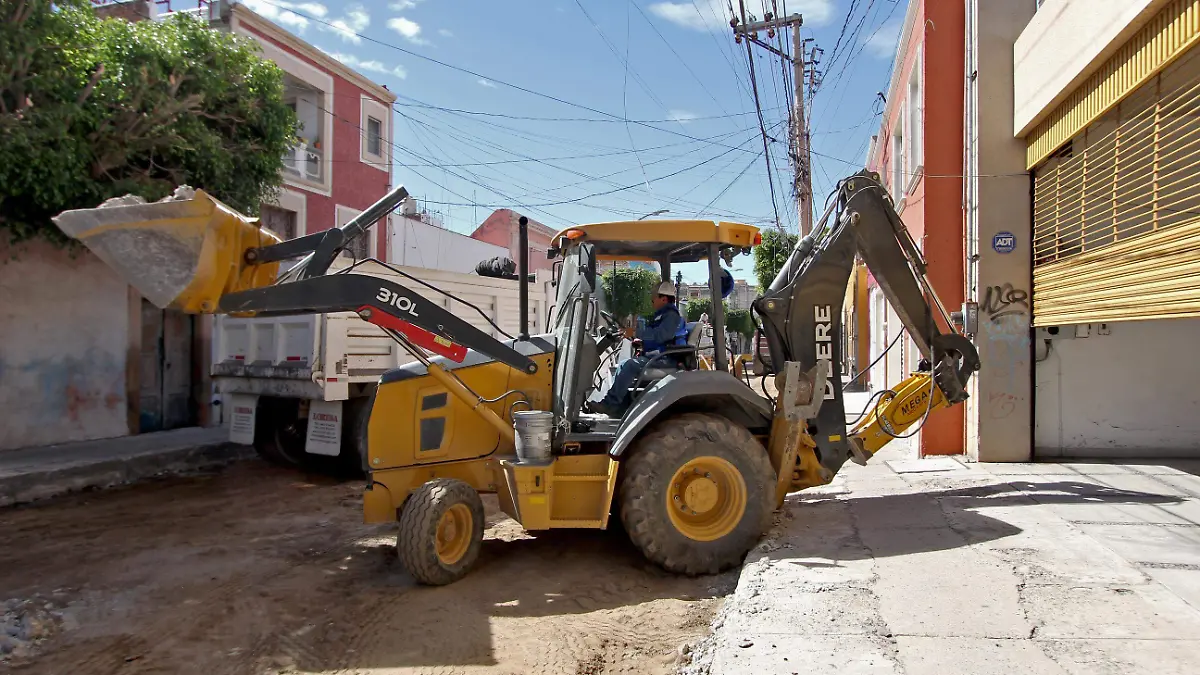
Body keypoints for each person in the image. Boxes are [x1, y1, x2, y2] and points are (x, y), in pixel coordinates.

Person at [588, 281, 687, 417]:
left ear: (663, 298)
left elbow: (661, 336)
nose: (652, 301)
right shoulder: (663, 315)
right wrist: (641, 343)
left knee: (628, 366)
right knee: (623, 365)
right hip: (662, 355)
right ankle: (617, 407)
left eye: (654, 297)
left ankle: (610, 405)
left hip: (667, 358)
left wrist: (636, 333)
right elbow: (659, 338)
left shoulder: (671, 316)